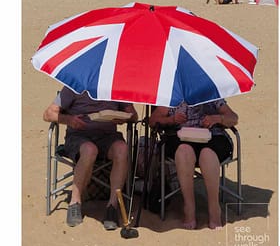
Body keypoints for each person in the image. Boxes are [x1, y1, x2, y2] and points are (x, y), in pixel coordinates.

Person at [43, 86, 138, 229]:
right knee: (89, 150)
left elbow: (134, 116)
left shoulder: (115, 86)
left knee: (122, 149)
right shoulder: (75, 86)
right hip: (79, 136)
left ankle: (112, 205)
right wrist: (69, 119)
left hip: (107, 136)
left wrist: (124, 117)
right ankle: (75, 202)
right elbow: (48, 114)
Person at [149, 100, 238, 230]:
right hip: (181, 137)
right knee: (184, 151)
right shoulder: (174, 95)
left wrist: (217, 118)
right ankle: (189, 207)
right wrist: (172, 119)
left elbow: (233, 118)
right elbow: (153, 120)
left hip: (212, 136)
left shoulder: (210, 93)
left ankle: (214, 208)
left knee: (207, 154)